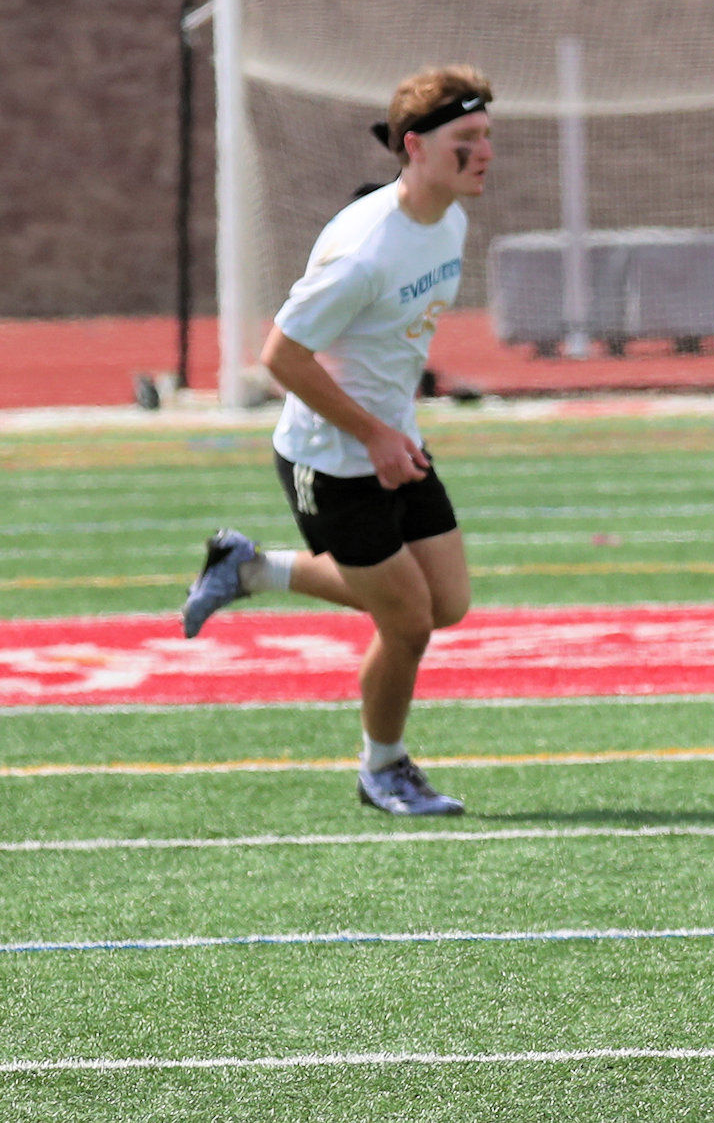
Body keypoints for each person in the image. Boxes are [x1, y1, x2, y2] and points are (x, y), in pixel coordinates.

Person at [181, 67, 496, 816]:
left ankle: (250, 569)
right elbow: (281, 357)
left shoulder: (449, 219)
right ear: (415, 147)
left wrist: (394, 427)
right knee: (407, 621)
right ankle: (382, 768)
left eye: (487, 136)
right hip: (331, 460)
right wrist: (373, 432)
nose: (485, 152)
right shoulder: (362, 250)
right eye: (467, 138)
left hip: (393, 443)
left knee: (446, 602)